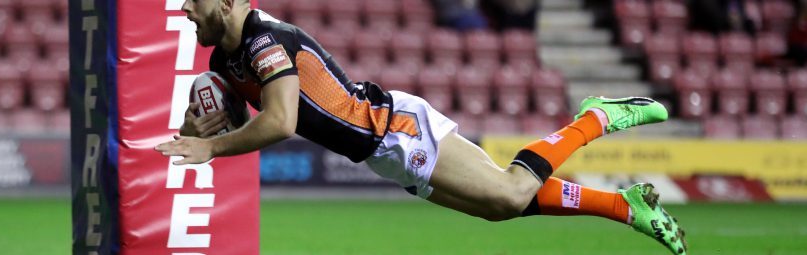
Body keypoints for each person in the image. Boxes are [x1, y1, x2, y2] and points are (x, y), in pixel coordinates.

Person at [155, 0, 688, 254]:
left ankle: (597, 116)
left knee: (510, 189)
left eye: (193, 1)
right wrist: (194, 130)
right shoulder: (226, 62)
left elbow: (281, 121)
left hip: (394, 129)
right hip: (382, 152)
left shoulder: (264, 41)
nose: (183, 10)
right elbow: (210, 127)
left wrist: (215, 149)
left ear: (225, 2)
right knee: (500, 206)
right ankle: (628, 206)